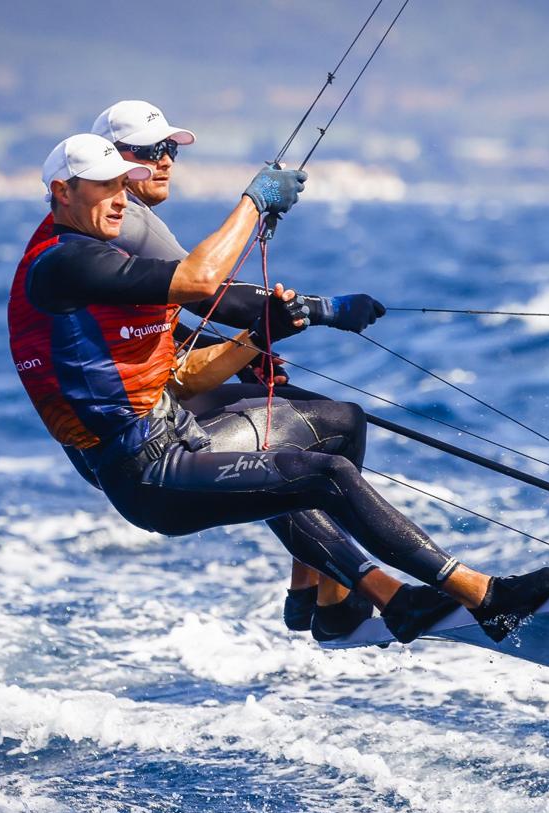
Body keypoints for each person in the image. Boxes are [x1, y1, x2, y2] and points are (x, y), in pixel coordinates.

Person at [8, 133, 549, 646]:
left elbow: (179, 377)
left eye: (121, 186)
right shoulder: (61, 265)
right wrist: (255, 199)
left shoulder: (104, 259)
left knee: (338, 423)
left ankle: (353, 599)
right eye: (103, 188)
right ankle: (484, 597)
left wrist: (258, 339)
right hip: (147, 474)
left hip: (175, 439)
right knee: (323, 476)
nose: (118, 199)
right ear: (62, 192)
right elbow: (203, 282)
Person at [84, 99, 393, 641]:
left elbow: (154, 321)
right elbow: (214, 296)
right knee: (327, 424)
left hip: (120, 426)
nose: (164, 162)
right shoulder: (128, 220)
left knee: (286, 429)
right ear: (113, 164)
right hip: (135, 433)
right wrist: (325, 310)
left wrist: (243, 351)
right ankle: (332, 594)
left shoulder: (116, 221)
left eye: (170, 150)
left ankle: (310, 591)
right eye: (149, 152)